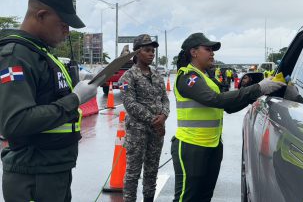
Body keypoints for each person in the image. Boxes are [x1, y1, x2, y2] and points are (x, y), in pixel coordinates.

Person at [0, 0, 100, 202]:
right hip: (34, 175)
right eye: (63, 23)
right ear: (41, 15)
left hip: (53, 169)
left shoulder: (41, 53)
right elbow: (15, 122)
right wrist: (75, 99)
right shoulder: (16, 55)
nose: (66, 31)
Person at [171, 32, 285, 202]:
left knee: (204, 197)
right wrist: (258, 88)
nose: (212, 53)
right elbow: (215, 100)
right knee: (187, 198)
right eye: (207, 49)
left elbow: (227, 106)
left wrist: (256, 94)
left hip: (212, 145)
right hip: (191, 146)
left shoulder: (207, 77)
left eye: (213, 50)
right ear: (193, 52)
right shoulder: (188, 77)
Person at [119, 34, 170, 202]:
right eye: (147, 50)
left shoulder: (157, 75)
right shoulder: (128, 77)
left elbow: (165, 99)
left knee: (152, 171)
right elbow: (130, 104)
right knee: (133, 172)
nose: (151, 54)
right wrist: (154, 120)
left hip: (157, 131)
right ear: (137, 52)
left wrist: (163, 115)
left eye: (153, 51)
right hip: (137, 131)